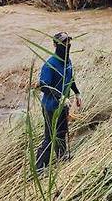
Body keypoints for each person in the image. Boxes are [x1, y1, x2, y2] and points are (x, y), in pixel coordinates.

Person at [35, 32, 83, 171]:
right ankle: (39, 168)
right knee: (50, 138)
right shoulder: (50, 65)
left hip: (64, 106)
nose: (67, 45)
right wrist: (60, 97)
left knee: (62, 132)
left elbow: (70, 78)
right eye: (63, 43)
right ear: (55, 45)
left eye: (68, 42)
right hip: (51, 107)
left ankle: (62, 157)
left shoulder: (67, 61)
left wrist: (77, 93)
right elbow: (44, 85)